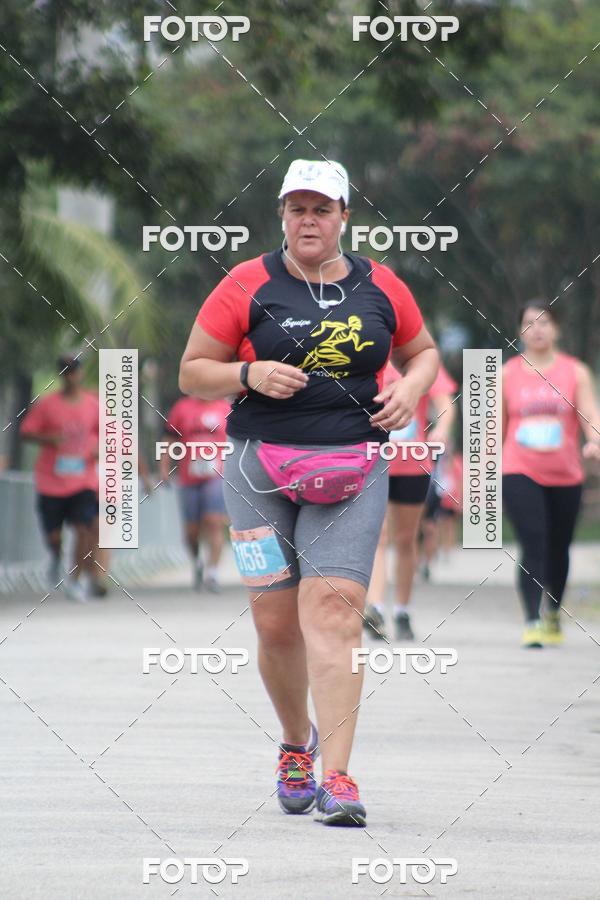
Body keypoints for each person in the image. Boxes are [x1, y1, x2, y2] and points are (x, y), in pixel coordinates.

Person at [179, 159, 439, 826]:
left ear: (345, 216)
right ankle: (297, 742)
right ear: (282, 217)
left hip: (352, 468)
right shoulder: (246, 282)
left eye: (321, 209)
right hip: (257, 471)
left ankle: (341, 778)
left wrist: (410, 389)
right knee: (274, 620)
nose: (308, 220)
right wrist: (249, 370)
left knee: (335, 612)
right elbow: (192, 373)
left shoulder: (381, 285)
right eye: (297, 208)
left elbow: (424, 352)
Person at [502, 301, 600, 648]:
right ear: (520, 330)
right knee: (534, 541)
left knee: (559, 547)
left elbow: (590, 414)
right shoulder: (506, 373)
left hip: (566, 474)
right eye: (530, 323)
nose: (538, 329)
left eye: (545, 322)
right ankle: (531, 619)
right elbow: (493, 430)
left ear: (556, 329)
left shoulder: (576, 371)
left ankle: (553, 610)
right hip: (519, 469)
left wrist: (593, 441)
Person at [363, 361, 456, 641]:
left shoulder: (421, 360)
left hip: (413, 463)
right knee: (376, 536)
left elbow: (446, 404)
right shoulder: (368, 350)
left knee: (405, 539)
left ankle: (403, 611)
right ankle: (376, 608)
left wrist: (442, 428)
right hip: (373, 462)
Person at [20, 356, 100, 602]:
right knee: (54, 536)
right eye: (66, 372)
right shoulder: (46, 405)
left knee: (84, 528)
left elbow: (107, 432)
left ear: (80, 374)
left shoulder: (93, 404)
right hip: (51, 480)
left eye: (74, 371)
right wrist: (48, 440)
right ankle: (56, 556)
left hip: (83, 480)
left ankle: (75, 581)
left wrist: (99, 449)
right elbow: (26, 432)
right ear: (61, 376)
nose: (71, 376)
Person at [160, 395, 231, 591]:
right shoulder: (182, 408)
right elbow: (169, 439)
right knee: (191, 531)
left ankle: (212, 573)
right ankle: (197, 561)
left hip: (217, 475)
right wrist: (164, 467)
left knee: (214, 522)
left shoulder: (225, 408)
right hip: (188, 477)